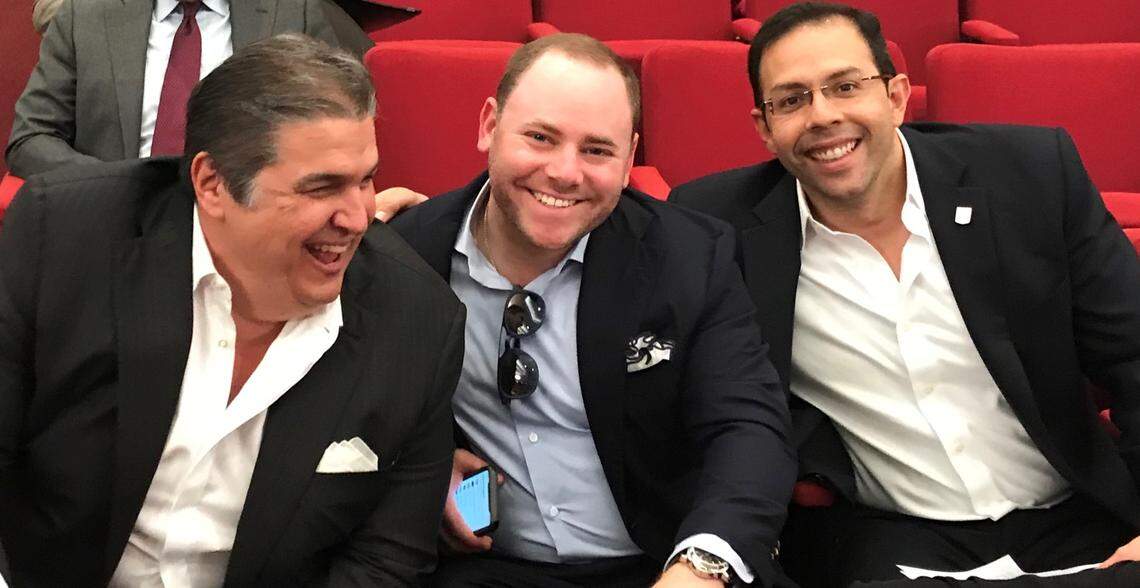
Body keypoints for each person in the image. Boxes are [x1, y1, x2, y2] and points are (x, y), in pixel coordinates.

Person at [668, 2, 1140, 586]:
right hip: (889, 543)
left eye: (845, 86)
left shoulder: (1031, 176)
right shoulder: (716, 228)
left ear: (896, 96)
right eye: (790, 100)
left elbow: (1134, 353)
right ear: (763, 128)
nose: (823, 116)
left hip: (1078, 517)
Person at [0, 34, 463, 586]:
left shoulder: (418, 320)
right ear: (211, 183)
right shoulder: (67, 238)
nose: (359, 217)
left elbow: (386, 560)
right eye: (322, 188)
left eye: (366, 180)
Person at [388, 33, 796, 588]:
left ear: (630, 159)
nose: (564, 172)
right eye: (539, 137)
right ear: (489, 125)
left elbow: (748, 428)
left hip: (663, 563)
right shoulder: (405, 254)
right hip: (486, 570)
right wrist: (428, 471)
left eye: (596, 150)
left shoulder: (691, 255)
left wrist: (702, 566)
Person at [8, 0, 371, 179]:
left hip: (247, 231)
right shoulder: (84, 15)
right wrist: (113, 186)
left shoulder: (297, 13)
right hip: (111, 227)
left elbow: (338, 131)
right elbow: (31, 139)